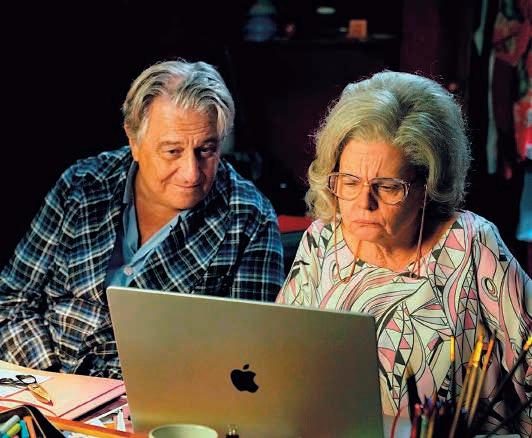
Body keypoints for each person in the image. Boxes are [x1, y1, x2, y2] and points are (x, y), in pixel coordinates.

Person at [276, 71, 531, 436]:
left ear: (427, 186)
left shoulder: (471, 243)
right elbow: (279, 361)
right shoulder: (322, 240)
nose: (364, 203)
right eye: (350, 182)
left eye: (387, 187)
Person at [0, 59, 284, 378]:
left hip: (155, 398)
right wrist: (52, 380)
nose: (191, 173)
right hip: (44, 384)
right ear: (134, 142)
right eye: (173, 152)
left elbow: (243, 359)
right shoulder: (81, 185)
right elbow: (11, 300)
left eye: (206, 150)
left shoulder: (250, 219)